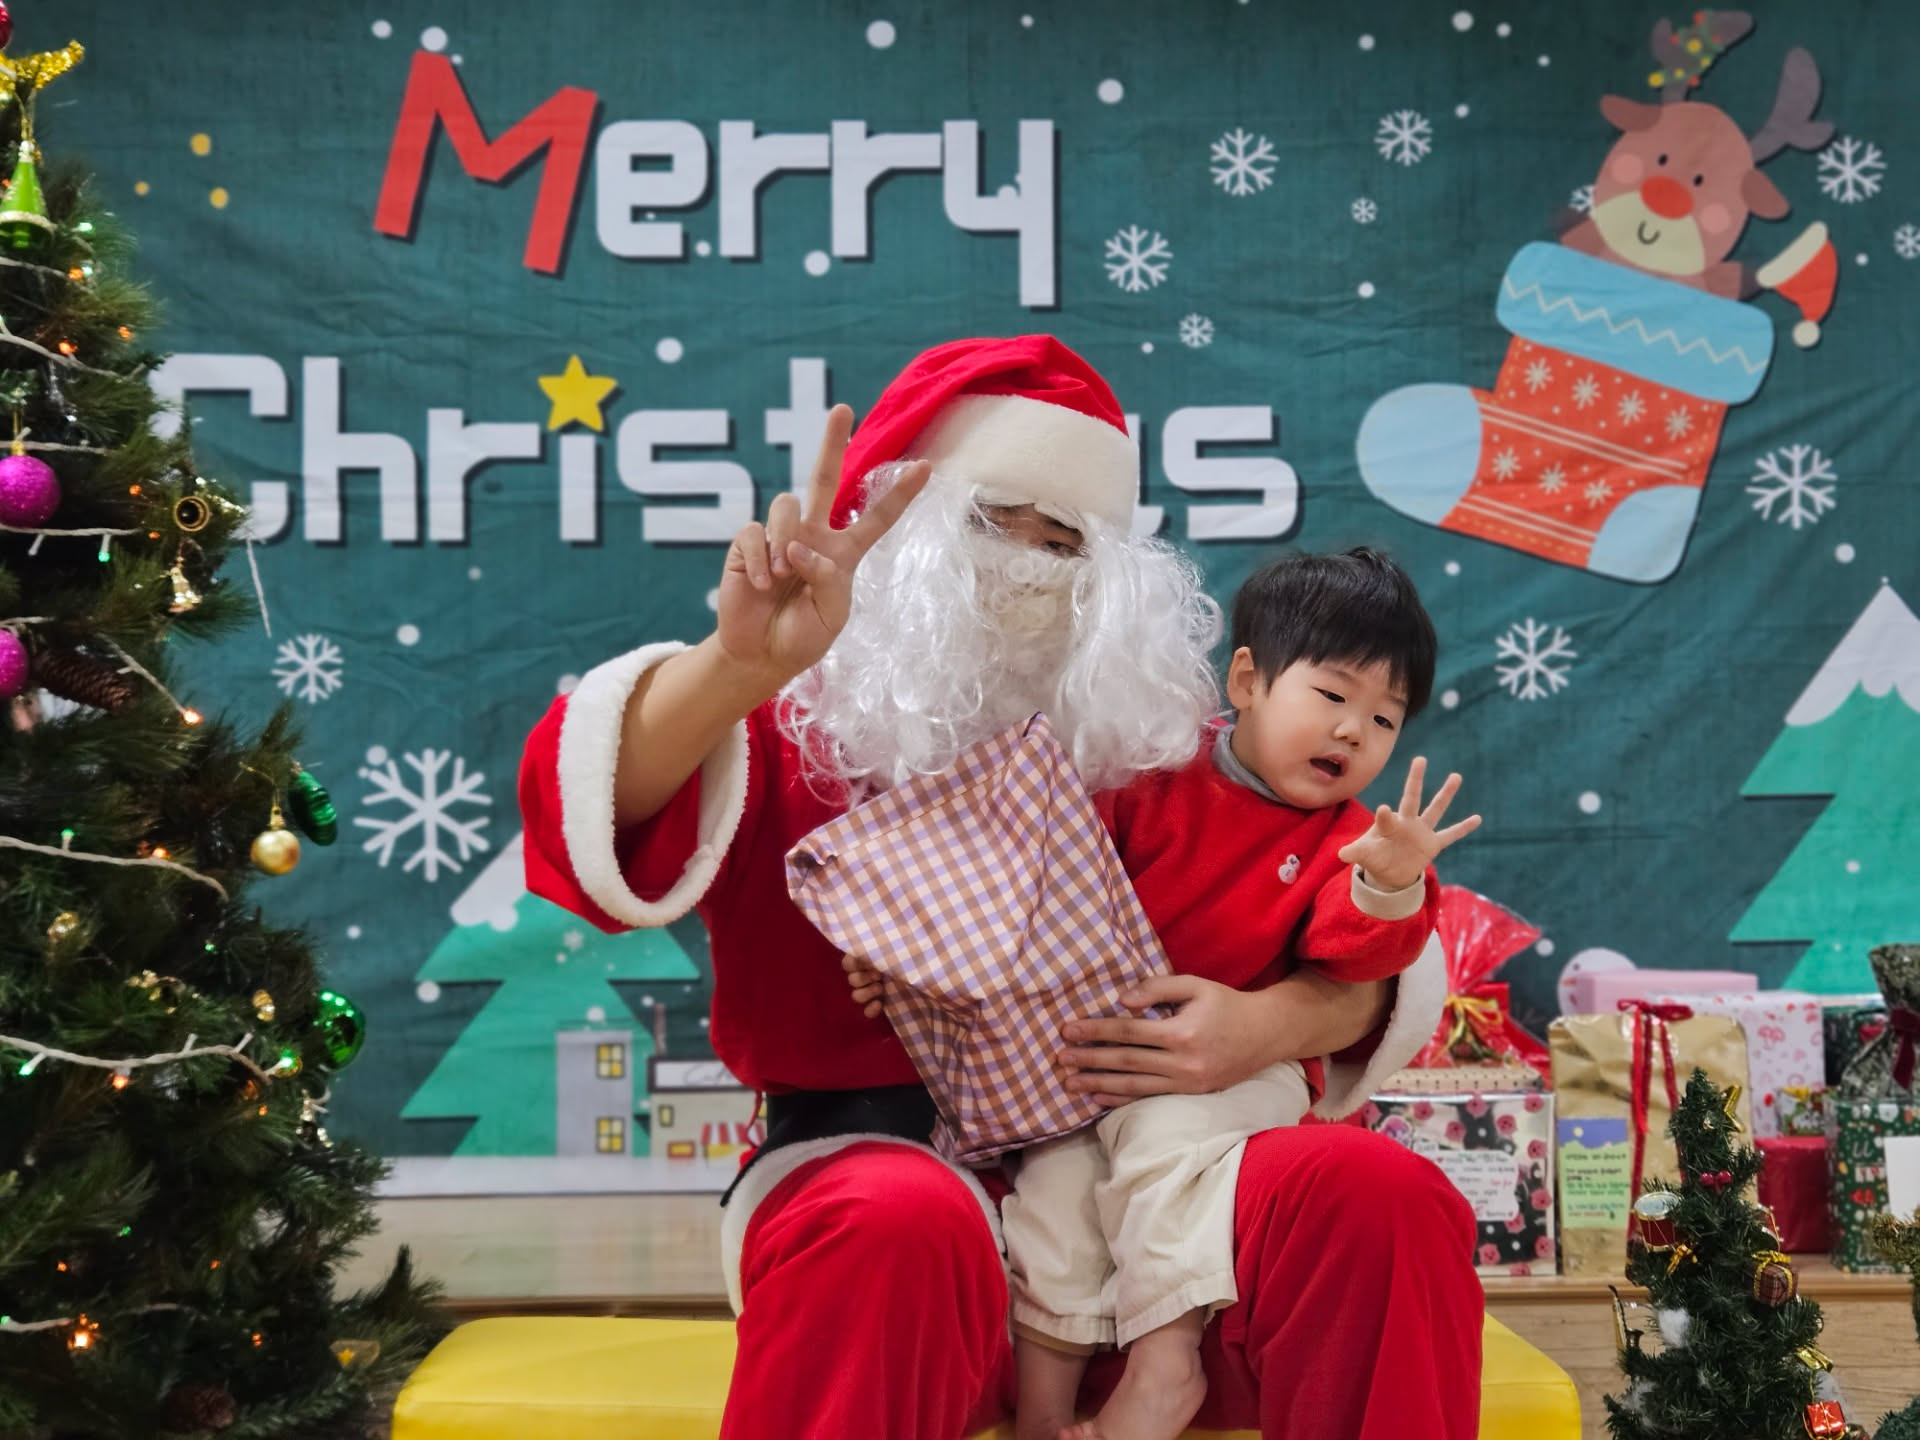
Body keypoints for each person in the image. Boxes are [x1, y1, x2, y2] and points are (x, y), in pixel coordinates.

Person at [517, 335, 1483, 1440]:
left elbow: (1368, 939)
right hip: (894, 1207)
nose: (1027, 565)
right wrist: (738, 669)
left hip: (1164, 1220)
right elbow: (581, 817)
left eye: (1064, 540)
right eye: (990, 520)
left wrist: (1273, 1024)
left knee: (1376, 1195)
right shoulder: (792, 721)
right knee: (898, 1221)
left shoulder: (1146, 746)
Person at [847, 548, 1480, 1440]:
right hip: (1100, 1074)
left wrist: (1390, 882)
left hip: (1241, 1081)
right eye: (1333, 696)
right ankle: (1043, 1412)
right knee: (1053, 1195)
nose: (1352, 733)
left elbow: (1359, 955)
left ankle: (1164, 1362)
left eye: (1384, 718)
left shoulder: (1351, 840)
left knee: (1162, 1150)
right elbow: (1029, 884)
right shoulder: (1149, 779)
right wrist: (915, 952)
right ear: (1248, 680)